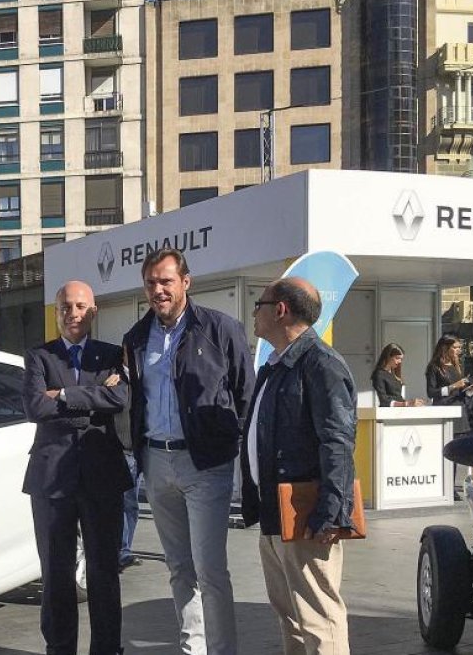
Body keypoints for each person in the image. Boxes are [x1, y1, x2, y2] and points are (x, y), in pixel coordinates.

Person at [121, 248, 254, 655]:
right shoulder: (136, 337)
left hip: (206, 465)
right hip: (157, 465)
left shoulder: (221, 330)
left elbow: (245, 395)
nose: (158, 290)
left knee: (210, 570)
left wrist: (237, 453)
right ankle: (191, 649)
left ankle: (222, 650)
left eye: (165, 281)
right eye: (151, 283)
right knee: (179, 569)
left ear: (185, 282)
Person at [242, 277, 357, 655]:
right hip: (276, 512)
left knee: (319, 617)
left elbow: (338, 442)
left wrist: (330, 513)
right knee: (289, 614)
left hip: (307, 517)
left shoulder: (321, 364)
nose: (253, 313)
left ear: (280, 310)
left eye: (259, 304)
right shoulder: (275, 366)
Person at [22, 280, 129, 655]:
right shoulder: (39, 356)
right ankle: (60, 649)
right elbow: (35, 408)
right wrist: (92, 403)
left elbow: (117, 399)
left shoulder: (113, 355)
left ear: (93, 312)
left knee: (103, 574)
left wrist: (63, 396)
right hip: (52, 481)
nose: (73, 313)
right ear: (56, 312)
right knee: (56, 575)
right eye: (66, 306)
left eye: (81, 306)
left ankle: (106, 649)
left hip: (102, 477)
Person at [425, 335, 473, 434]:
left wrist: (472, 388)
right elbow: (431, 392)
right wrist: (453, 386)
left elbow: (461, 393)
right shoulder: (434, 367)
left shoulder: (456, 366)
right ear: (445, 348)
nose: (458, 350)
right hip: (444, 412)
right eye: (455, 347)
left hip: (460, 412)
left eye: (459, 347)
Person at [371, 343, 426, 408]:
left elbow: (398, 397)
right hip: (387, 413)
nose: (400, 361)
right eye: (397, 358)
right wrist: (406, 404)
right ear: (388, 357)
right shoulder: (379, 374)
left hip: (398, 412)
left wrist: (412, 403)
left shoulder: (394, 374)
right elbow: (384, 401)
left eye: (401, 359)